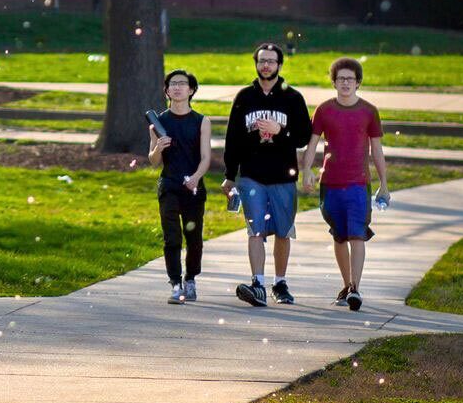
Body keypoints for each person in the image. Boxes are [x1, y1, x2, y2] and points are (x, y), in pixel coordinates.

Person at [221, 42, 313, 307]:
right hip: (251, 176)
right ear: (256, 63)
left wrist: (279, 130)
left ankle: (280, 282)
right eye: (262, 61)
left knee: (283, 231)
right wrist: (229, 174)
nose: (266, 65)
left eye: (271, 61)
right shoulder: (244, 97)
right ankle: (257, 282)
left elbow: (303, 136)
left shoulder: (292, 98)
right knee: (255, 231)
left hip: (284, 176)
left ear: (280, 65)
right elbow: (232, 139)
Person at [299, 57, 389, 313]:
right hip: (331, 184)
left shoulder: (369, 111)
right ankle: (347, 284)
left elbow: (377, 150)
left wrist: (384, 183)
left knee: (357, 234)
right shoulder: (324, 110)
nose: (346, 83)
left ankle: (355, 288)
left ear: (358, 82)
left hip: (359, 183)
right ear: (334, 82)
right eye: (341, 79)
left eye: (350, 79)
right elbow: (313, 143)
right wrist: (306, 170)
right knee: (339, 235)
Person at [148, 69, 214, 305]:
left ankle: (191, 279)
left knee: (193, 237)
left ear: (191, 90)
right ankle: (175, 283)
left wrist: (196, 177)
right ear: (166, 90)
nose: (177, 87)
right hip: (169, 185)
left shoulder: (201, 121)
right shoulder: (158, 123)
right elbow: (154, 161)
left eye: (182, 84)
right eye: (172, 84)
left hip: (193, 187)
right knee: (172, 236)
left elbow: (206, 157)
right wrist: (158, 148)